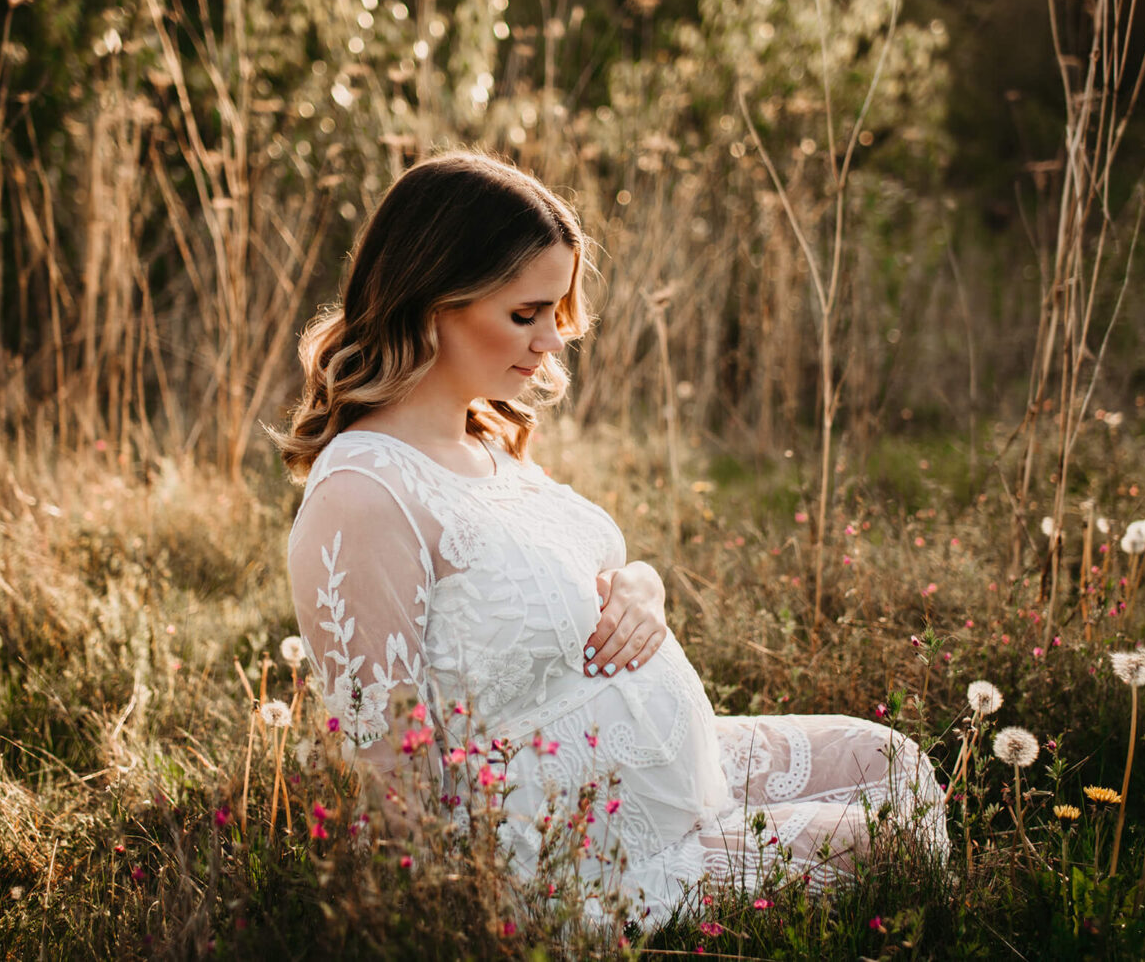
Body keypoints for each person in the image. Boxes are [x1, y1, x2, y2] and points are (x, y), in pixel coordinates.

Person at [278, 150, 947, 929]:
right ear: (432, 302)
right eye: (524, 314)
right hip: (578, 859)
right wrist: (468, 922)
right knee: (889, 838)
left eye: (555, 313)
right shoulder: (363, 497)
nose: (551, 342)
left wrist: (643, 586)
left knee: (897, 768)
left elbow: (564, 570)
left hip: (679, 777)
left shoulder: (481, 441)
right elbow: (389, 769)